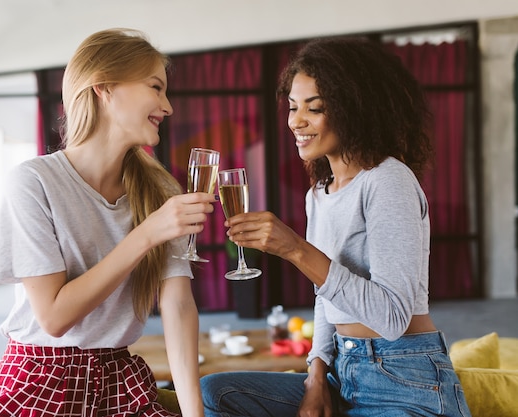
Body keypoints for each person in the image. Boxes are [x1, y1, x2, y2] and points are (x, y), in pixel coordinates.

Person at [200, 37, 472, 417]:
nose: (296, 120)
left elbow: (392, 318)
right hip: (342, 373)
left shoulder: (387, 181)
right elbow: (328, 299)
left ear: (353, 108)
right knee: (215, 391)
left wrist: (297, 250)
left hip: (404, 378)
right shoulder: (319, 195)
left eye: (315, 108)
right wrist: (315, 376)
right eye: (293, 107)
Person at [0, 28, 213, 417]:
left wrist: (194, 415)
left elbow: (179, 305)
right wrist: (146, 234)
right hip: (40, 377)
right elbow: (54, 317)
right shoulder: (33, 182)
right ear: (105, 88)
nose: (167, 107)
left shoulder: (161, 190)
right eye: (156, 87)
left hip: (121, 378)